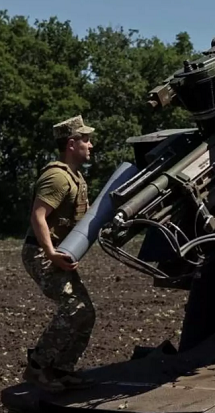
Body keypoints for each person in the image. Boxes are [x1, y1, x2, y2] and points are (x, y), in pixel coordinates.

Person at [21, 115, 97, 392]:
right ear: (71, 144)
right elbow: (38, 216)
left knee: (86, 312)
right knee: (74, 308)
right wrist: (51, 253)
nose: (90, 145)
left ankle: (61, 368)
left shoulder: (75, 177)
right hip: (41, 252)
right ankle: (37, 366)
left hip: (57, 252)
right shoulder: (57, 177)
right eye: (85, 139)